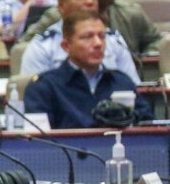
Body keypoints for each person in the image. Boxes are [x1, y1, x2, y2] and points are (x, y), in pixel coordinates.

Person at [23, 11, 152, 129]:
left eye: (101, 36)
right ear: (66, 46)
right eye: (87, 37)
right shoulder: (44, 87)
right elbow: (39, 144)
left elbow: (148, 128)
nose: (98, 44)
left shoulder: (121, 82)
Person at [18, 0, 140, 83]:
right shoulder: (42, 46)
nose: (90, 1)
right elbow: (33, 98)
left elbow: (133, 88)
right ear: (61, 6)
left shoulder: (114, 40)